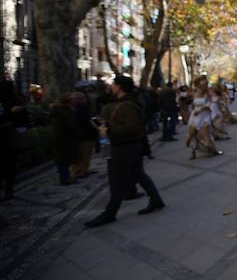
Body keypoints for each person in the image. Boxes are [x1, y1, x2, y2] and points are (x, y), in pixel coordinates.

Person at [84, 75, 165, 227]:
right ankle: (156, 201)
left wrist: (107, 129)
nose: (111, 86)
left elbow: (131, 128)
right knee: (138, 174)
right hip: (123, 145)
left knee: (117, 180)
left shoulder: (128, 105)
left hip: (125, 147)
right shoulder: (120, 103)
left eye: (114, 84)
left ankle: (110, 213)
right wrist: (102, 123)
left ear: (119, 86)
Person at [0, 80, 26, 200]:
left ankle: (8, 190)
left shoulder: (15, 102)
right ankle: (8, 190)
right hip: (10, 139)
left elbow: (23, 119)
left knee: (9, 165)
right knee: (10, 166)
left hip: (9, 139)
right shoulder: (15, 101)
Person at [186, 77, 222, 158]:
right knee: (192, 134)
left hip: (205, 115)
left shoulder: (208, 94)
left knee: (206, 133)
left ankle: (212, 149)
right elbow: (192, 104)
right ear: (199, 85)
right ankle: (193, 150)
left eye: (205, 84)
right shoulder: (194, 93)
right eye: (202, 84)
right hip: (195, 116)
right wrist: (193, 110)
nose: (204, 86)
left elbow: (209, 105)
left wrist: (202, 109)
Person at [51, 93, 79, 185]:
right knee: (65, 159)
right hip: (67, 138)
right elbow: (72, 126)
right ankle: (65, 178)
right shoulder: (68, 111)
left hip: (58, 137)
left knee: (61, 159)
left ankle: (64, 177)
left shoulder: (55, 110)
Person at [69, 91, 98, 179]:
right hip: (83, 135)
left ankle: (84, 169)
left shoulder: (82, 108)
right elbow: (84, 123)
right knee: (82, 155)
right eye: (84, 98)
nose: (85, 100)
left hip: (86, 135)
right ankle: (80, 171)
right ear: (79, 100)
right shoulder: (77, 109)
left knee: (86, 154)